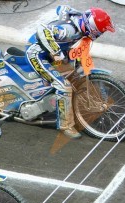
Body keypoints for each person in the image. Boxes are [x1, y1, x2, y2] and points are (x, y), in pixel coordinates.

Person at [26, 5, 115, 139]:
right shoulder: (69, 31)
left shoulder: (79, 20)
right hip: (38, 54)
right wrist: (56, 52)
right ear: (92, 27)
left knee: (72, 73)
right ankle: (65, 125)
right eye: (99, 31)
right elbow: (43, 30)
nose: (99, 34)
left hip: (54, 51)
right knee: (64, 87)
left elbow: (61, 8)